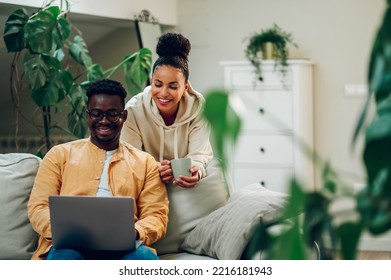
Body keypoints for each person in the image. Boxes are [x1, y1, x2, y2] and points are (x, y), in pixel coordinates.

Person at [27, 79, 169, 260]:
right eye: (96, 114)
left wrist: (133, 232)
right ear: (87, 115)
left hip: (125, 248)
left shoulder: (145, 162)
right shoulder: (59, 155)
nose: (104, 121)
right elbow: (38, 208)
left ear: (124, 116)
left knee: (144, 261)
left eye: (112, 114)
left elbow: (157, 216)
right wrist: (67, 230)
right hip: (70, 245)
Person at [121, 33, 213, 188]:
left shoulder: (198, 107)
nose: (163, 93)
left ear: (185, 88)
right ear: (151, 82)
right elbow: (131, 157)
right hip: (147, 180)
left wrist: (196, 170)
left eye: (172, 86)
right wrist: (155, 168)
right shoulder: (133, 110)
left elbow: (199, 154)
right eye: (158, 84)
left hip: (186, 181)